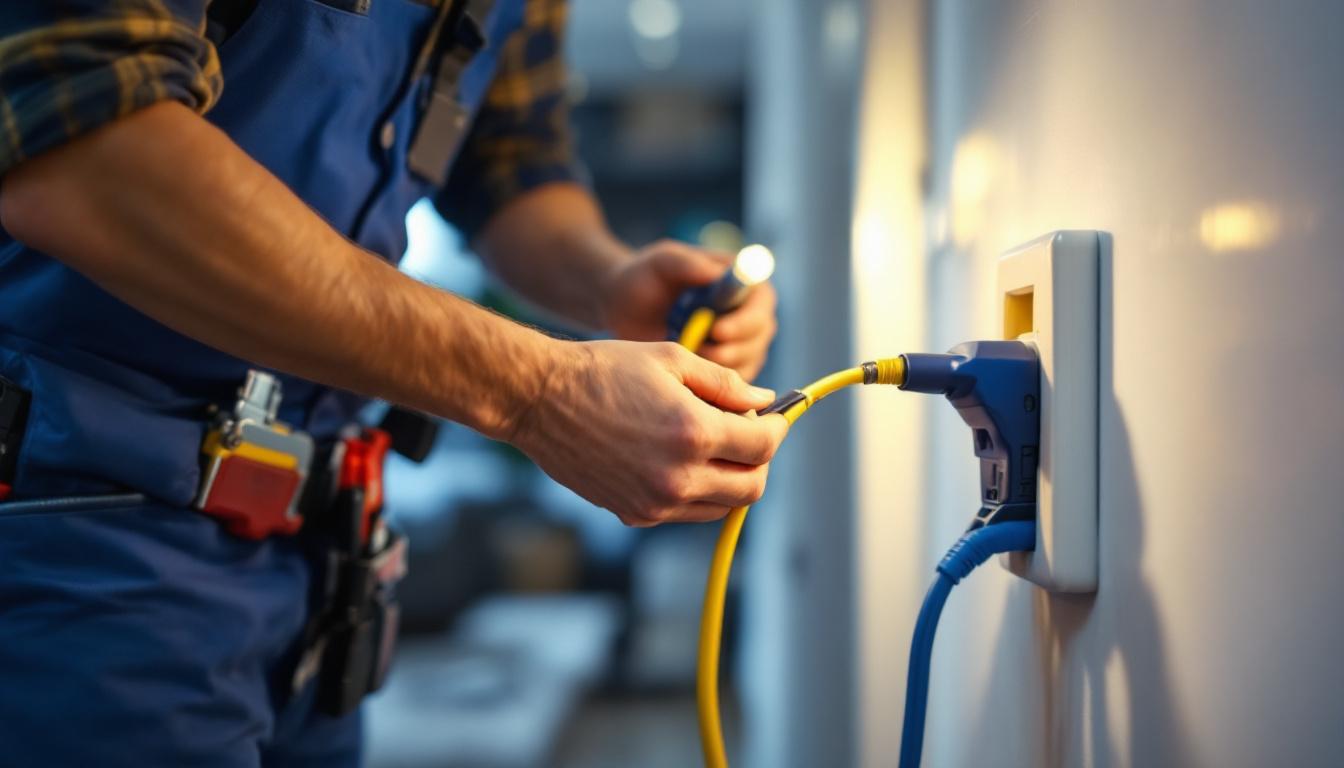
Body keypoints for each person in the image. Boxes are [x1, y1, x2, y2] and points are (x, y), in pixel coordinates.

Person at [0, 0, 785, 764]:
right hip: (70, 524)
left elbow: (510, 165)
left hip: (316, 557)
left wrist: (611, 282)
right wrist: (539, 390)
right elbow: (87, 155)